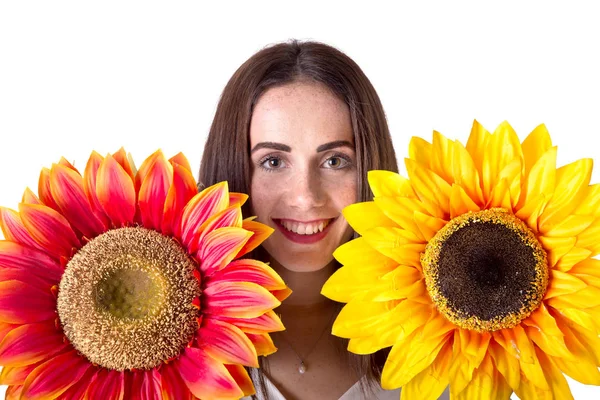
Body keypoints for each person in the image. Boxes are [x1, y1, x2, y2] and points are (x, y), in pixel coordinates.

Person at [199, 40, 444, 400]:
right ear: (234, 171)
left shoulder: (443, 335)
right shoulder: (171, 348)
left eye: (335, 161)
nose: (305, 197)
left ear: (371, 170)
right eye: (273, 161)